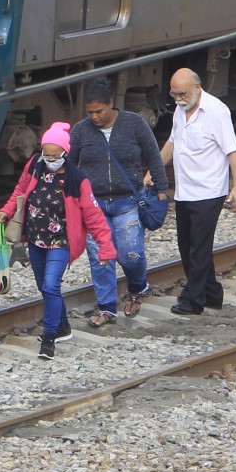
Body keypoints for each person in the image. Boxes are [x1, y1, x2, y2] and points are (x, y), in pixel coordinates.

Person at [0, 122, 115, 359]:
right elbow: (19, 192)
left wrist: (106, 248)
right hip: (36, 238)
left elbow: (94, 216)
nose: (50, 160)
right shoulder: (34, 166)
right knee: (44, 287)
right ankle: (63, 328)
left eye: (55, 155)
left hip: (61, 241)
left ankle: (48, 338)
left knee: (51, 286)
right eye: (46, 154)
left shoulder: (77, 180)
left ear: (65, 153)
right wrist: (6, 211)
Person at [67, 81, 168, 324]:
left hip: (127, 202)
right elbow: (69, 166)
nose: (94, 117)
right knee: (101, 258)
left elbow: (153, 156)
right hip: (94, 207)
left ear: (111, 104)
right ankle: (107, 309)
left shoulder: (134, 124)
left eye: (98, 111)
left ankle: (137, 287)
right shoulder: (81, 131)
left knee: (130, 255)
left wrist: (162, 189)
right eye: (89, 112)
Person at [160, 68, 236, 315]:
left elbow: (233, 150)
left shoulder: (217, 111)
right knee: (186, 245)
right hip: (185, 190)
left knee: (198, 246)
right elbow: (172, 142)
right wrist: (154, 172)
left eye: (183, 94)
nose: (179, 100)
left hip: (209, 191)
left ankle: (193, 300)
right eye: (174, 95)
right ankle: (212, 293)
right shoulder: (181, 109)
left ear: (197, 87)